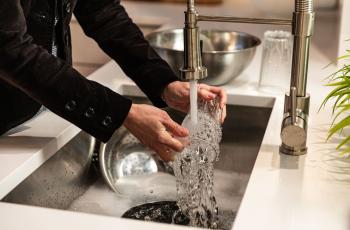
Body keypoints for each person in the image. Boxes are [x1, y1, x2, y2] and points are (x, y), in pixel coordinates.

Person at [0, 0, 227, 161]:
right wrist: (122, 113)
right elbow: (9, 49)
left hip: (42, 110)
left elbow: (104, 13)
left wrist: (164, 82)